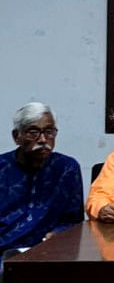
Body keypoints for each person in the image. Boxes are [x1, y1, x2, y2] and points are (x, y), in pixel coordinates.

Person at [1, 102, 83, 253]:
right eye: (33, 132)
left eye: (49, 132)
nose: (43, 139)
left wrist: (59, 234)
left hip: (47, 252)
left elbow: (73, 221)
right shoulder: (2, 168)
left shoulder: (67, 168)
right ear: (16, 136)